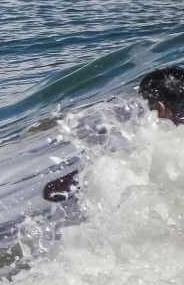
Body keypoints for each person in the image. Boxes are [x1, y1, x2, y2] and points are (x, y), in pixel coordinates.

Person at [42, 64, 184, 202]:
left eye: (145, 107)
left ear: (160, 108)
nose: (143, 114)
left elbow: (52, 191)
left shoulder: (160, 146)